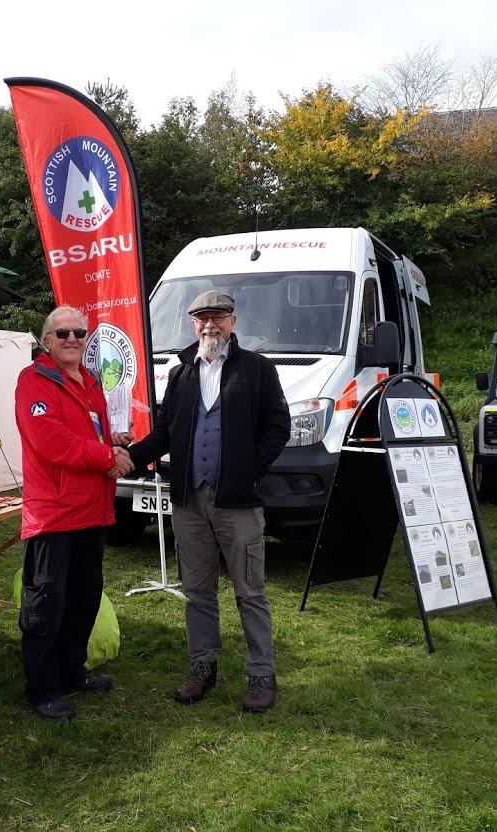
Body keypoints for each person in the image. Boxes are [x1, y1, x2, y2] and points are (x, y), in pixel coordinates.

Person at [128, 290, 290, 712]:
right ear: (193, 324)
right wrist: (128, 459)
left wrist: (251, 469)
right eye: (201, 319)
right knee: (197, 591)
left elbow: (278, 425)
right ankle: (203, 666)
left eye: (217, 317)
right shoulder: (180, 372)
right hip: (188, 501)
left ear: (232, 322)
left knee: (249, 591)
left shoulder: (257, 369)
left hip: (236, 501)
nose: (209, 325)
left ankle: (260, 673)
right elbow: (164, 432)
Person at [14, 306, 133, 720]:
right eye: (62, 333)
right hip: (54, 515)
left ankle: (71, 673)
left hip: (92, 512)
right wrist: (106, 456)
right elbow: (49, 441)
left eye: (79, 333)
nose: (72, 339)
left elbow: (87, 431)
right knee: (45, 603)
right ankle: (42, 689)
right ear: (46, 340)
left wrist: (111, 437)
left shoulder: (91, 381)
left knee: (84, 598)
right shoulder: (34, 381)